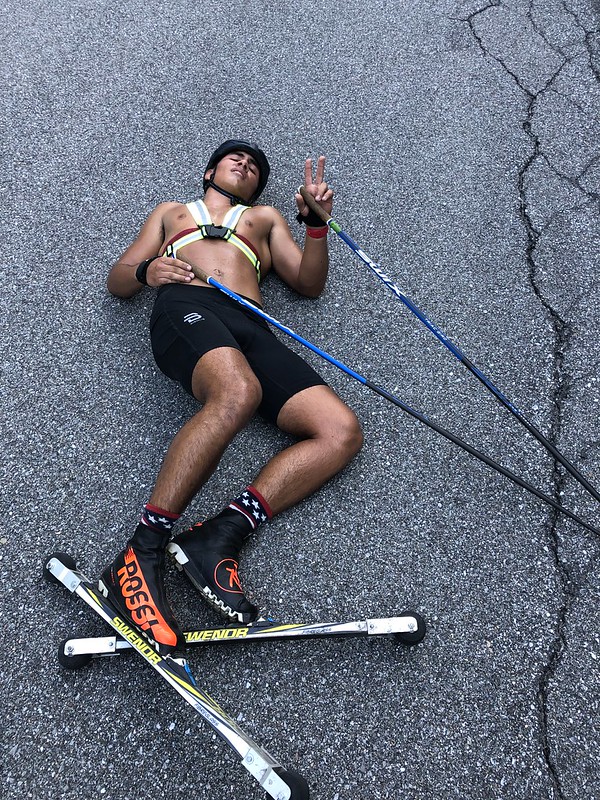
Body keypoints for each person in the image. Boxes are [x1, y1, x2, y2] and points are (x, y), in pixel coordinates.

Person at [100, 139, 363, 654]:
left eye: (254, 165)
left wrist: (317, 225)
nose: (245, 163)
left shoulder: (264, 219)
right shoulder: (172, 213)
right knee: (238, 392)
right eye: (234, 157)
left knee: (341, 432)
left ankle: (217, 536)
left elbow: (309, 283)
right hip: (187, 305)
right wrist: (146, 271)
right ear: (209, 172)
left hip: (251, 323)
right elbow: (118, 280)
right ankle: (141, 552)